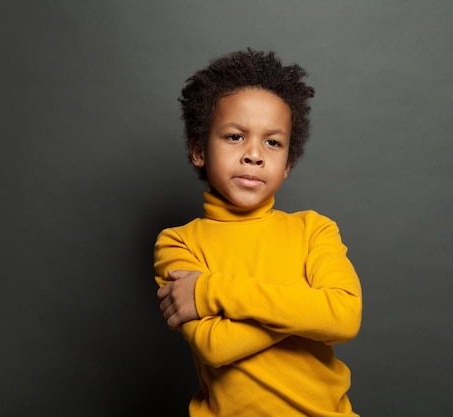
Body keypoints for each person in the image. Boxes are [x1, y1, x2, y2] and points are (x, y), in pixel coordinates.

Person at [154, 48, 362, 417]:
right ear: (199, 150)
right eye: (235, 137)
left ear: (287, 164)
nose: (254, 154)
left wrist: (209, 290)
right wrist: (307, 309)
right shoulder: (178, 242)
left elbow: (344, 318)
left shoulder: (314, 230)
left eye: (273, 142)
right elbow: (214, 345)